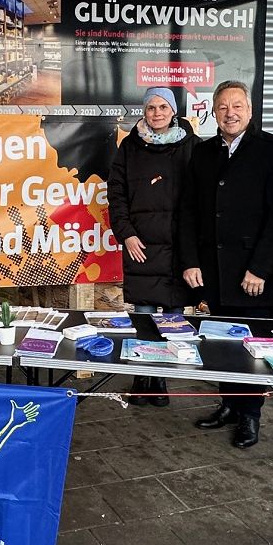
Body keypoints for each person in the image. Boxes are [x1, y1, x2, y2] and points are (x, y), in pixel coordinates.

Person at [179, 80, 273, 447]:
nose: (230, 113)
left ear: (250, 109)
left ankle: (250, 416)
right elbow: (189, 212)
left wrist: (260, 268)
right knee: (220, 343)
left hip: (253, 273)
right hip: (212, 268)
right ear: (213, 112)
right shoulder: (203, 152)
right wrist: (190, 261)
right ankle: (228, 404)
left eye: (237, 106)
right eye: (223, 107)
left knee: (251, 347)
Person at [107, 87, 200, 406]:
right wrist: (126, 234)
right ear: (143, 112)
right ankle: (141, 379)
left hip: (178, 248)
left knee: (172, 319)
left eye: (163, 107)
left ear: (174, 111)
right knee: (144, 317)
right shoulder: (129, 147)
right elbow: (116, 195)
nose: (157, 112)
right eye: (150, 107)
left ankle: (159, 380)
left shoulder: (193, 147)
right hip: (141, 245)